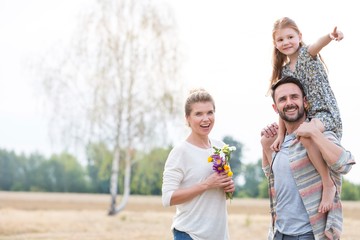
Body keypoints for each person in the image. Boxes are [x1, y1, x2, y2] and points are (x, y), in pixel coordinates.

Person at [261, 76, 355, 240]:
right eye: (283, 99)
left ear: (305, 101)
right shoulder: (278, 142)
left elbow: (345, 164)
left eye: (294, 97)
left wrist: (313, 132)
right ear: (275, 108)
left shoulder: (321, 135)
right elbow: (273, 177)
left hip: (311, 234)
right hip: (279, 233)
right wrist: (265, 146)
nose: (289, 102)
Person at [268, 17, 344, 213]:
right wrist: (280, 135)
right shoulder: (284, 73)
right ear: (275, 44)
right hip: (310, 119)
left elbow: (317, 45)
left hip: (326, 113)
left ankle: (328, 184)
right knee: (303, 135)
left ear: (299, 37)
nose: (286, 42)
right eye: (281, 40)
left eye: (290, 37)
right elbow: (284, 109)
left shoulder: (306, 56)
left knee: (304, 132)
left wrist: (330, 36)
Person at [161, 88, 235, 240]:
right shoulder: (180, 152)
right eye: (198, 114)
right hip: (190, 234)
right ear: (187, 118)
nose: (206, 119)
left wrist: (228, 188)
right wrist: (206, 184)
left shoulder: (221, 148)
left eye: (210, 112)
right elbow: (167, 198)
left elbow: (220, 196)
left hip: (219, 235)